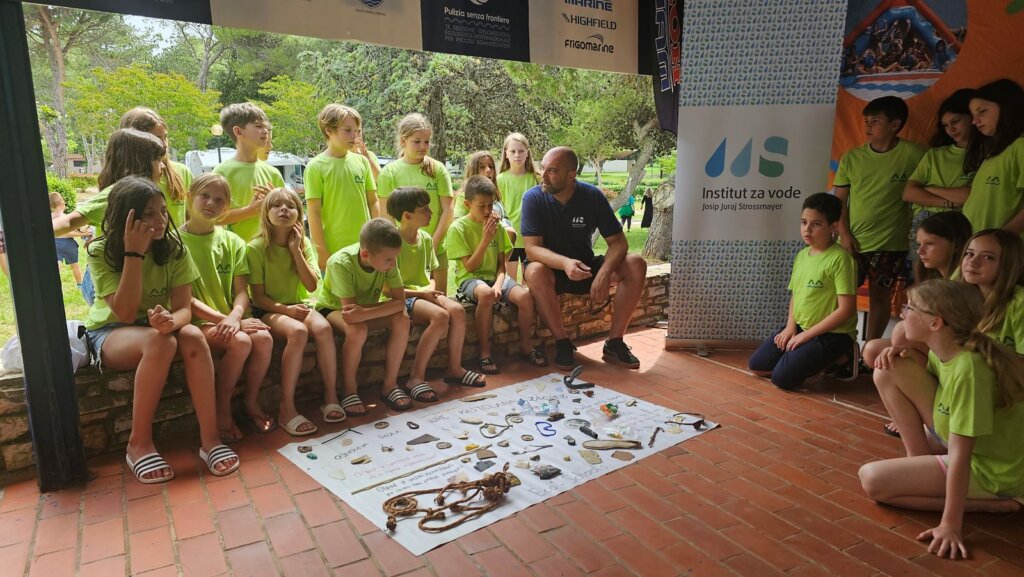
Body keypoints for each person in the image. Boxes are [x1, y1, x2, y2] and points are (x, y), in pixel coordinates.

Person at [83, 176, 239, 483]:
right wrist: (134, 253)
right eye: (148, 214)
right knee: (161, 343)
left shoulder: (174, 248)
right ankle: (138, 444)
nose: (159, 220)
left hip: (157, 328)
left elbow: (184, 309)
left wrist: (171, 322)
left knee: (192, 334)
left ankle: (210, 440)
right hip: (111, 331)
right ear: (126, 217)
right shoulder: (100, 250)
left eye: (163, 211)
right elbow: (126, 312)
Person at [859, 280, 1024, 560]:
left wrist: (950, 525)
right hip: (970, 445)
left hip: (994, 471)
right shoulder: (944, 348)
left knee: (872, 479)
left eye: (910, 309)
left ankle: (992, 503)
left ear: (935, 323)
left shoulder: (970, 370)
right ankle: (918, 460)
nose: (903, 313)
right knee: (886, 369)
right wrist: (900, 353)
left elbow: (961, 455)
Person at [522, 147, 648, 370]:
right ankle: (562, 343)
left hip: (584, 266)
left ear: (571, 175)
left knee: (636, 264)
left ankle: (615, 342)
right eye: (543, 168)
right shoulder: (533, 198)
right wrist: (565, 263)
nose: (543, 175)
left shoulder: (592, 196)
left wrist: (604, 273)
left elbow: (619, 242)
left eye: (552, 170)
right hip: (552, 271)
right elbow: (532, 249)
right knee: (534, 270)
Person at [179, 174, 276, 443]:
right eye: (205, 196)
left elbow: (242, 291)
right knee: (241, 342)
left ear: (227, 207)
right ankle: (222, 410)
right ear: (190, 197)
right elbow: (185, 300)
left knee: (264, 339)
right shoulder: (175, 243)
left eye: (219, 200)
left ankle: (250, 402)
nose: (211, 203)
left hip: (231, 318)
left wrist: (235, 316)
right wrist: (229, 321)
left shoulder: (233, 242)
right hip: (198, 322)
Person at [247, 188, 340, 436]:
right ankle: (286, 407)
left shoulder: (303, 243)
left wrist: (296, 250)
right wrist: (285, 310)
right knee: (298, 332)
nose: (284, 210)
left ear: (299, 214)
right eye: (276, 205)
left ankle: (331, 396)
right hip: (268, 309)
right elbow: (258, 297)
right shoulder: (256, 248)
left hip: (299, 304)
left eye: (290, 206)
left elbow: (311, 286)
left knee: (323, 328)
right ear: (266, 213)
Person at [834, 96, 927, 341]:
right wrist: (844, 234)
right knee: (839, 294)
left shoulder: (916, 154)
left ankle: (869, 349)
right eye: (866, 121)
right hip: (853, 241)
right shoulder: (852, 158)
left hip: (891, 243)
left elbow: (923, 190)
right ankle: (840, 345)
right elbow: (839, 201)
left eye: (875, 121)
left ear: (894, 124)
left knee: (880, 295)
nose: (868, 127)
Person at [748, 193, 859, 389]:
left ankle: (842, 356)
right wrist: (790, 328)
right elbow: (796, 295)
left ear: (833, 227)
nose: (807, 229)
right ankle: (804, 359)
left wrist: (805, 337)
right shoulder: (801, 255)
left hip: (833, 334)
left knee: (782, 379)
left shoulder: (841, 260)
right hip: (802, 327)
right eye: (803, 222)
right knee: (757, 366)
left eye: (816, 224)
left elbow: (846, 311)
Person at [52, 129, 168, 306]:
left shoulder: (152, 194)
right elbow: (68, 222)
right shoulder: (116, 196)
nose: (163, 166)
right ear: (140, 162)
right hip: (110, 283)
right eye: (158, 160)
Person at [388, 186, 486, 389]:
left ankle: (454, 369)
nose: (431, 213)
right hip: (403, 297)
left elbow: (430, 276)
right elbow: (388, 290)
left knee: (457, 310)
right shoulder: (393, 243)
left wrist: (429, 290)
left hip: (424, 293)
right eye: (424, 209)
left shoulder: (425, 239)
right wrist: (423, 293)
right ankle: (416, 377)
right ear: (406, 215)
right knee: (440, 316)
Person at [448, 176, 545, 375]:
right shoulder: (458, 229)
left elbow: (501, 266)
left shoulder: (498, 226)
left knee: (525, 297)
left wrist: (499, 284)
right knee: (485, 294)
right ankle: (484, 352)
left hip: (495, 277)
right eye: (481, 206)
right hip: (470, 278)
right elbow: (471, 266)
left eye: (490, 205)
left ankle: (525, 345)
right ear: (467, 204)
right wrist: (485, 239)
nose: (487, 211)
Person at [317, 218, 412, 412]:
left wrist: (367, 312)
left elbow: (400, 302)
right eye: (389, 260)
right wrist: (369, 312)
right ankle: (349, 390)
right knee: (357, 330)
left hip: (364, 310)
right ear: (365, 255)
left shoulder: (387, 261)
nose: (393, 264)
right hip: (332, 309)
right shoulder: (340, 263)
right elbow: (350, 312)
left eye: (395, 258)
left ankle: (390, 385)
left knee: (402, 319)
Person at [376, 113, 453, 292]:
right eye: (417, 141)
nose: (423, 146)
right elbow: (386, 215)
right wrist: (396, 245)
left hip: (436, 247)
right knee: (407, 301)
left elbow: (448, 209)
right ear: (403, 141)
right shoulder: (389, 172)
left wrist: (433, 243)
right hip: (403, 251)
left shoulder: (437, 169)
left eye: (427, 142)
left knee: (439, 298)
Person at [306, 104, 379, 272]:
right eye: (348, 130)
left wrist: (378, 235)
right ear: (329, 130)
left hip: (365, 246)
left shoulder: (362, 161)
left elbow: (373, 201)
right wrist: (322, 251)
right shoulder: (315, 167)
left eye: (357, 130)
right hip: (334, 249)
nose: (355, 135)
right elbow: (313, 212)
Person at [903, 89, 975, 257]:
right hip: (925, 221)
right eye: (945, 125)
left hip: (960, 223)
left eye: (955, 121)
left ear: (972, 117)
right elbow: (909, 193)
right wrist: (948, 203)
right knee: (923, 272)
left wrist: (929, 188)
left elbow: (967, 195)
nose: (951, 129)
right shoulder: (935, 154)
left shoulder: (987, 154)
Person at [214, 103, 285, 242]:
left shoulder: (273, 173)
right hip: (235, 251)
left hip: (269, 249)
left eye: (266, 126)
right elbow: (215, 218)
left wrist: (274, 203)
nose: (265, 131)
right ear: (238, 132)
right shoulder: (221, 173)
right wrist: (250, 211)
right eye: (258, 126)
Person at [962, 79, 1024, 234]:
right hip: (979, 243)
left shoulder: (1020, 146)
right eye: (973, 115)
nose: (974, 121)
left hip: (1003, 246)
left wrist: (999, 238)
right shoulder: (993, 151)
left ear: (1007, 107)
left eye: (982, 111)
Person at [119, 107, 193, 226]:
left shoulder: (182, 171)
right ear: (135, 141)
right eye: (157, 138)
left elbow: (191, 218)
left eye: (165, 137)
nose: (164, 144)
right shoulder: (119, 178)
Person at [958, 229, 1024, 355]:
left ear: (1008, 264)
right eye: (969, 253)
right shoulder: (956, 293)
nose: (973, 262)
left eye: (987, 257)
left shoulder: (1020, 301)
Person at [497, 133, 542, 282]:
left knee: (529, 280)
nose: (517, 155)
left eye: (521, 151)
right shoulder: (499, 180)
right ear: (506, 154)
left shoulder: (536, 178)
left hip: (531, 239)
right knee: (509, 283)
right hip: (508, 238)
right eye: (513, 151)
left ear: (527, 153)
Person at [49, 193, 86, 289]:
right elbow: (68, 233)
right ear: (62, 204)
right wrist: (84, 234)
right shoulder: (65, 217)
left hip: (55, 243)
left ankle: (54, 284)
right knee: (75, 265)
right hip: (68, 244)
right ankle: (79, 284)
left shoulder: (49, 218)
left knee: (57, 264)